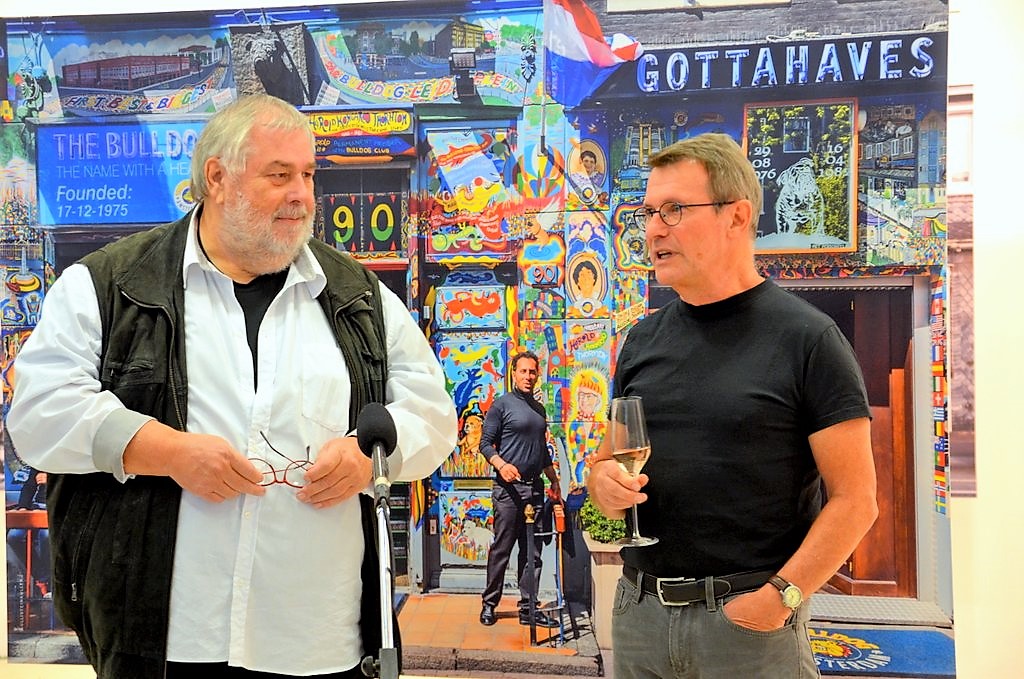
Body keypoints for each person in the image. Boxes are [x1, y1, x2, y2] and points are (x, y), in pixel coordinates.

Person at [7, 94, 457, 679]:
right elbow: (38, 413)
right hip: (164, 640)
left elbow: (433, 414)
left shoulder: (359, 296)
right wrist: (163, 451)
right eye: (279, 175)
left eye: (308, 175)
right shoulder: (108, 285)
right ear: (217, 178)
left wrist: (369, 457)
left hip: (319, 639)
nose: (302, 195)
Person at [586, 133, 877, 678]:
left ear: (736, 216)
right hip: (640, 617)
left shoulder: (809, 339)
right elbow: (606, 463)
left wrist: (779, 600)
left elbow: (856, 501)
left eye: (674, 209)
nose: (653, 229)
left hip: (747, 627)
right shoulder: (642, 340)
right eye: (648, 212)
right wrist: (603, 484)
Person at [478, 350, 561, 628]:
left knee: (532, 553)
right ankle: (490, 604)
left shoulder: (539, 410)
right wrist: (501, 465)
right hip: (508, 491)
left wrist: (554, 480)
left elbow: (542, 450)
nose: (528, 376)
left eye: (532, 372)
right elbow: (485, 444)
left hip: (534, 489)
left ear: (537, 375)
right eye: (523, 371)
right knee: (502, 549)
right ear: (514, 373)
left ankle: (529, 608)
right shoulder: (501, 405)